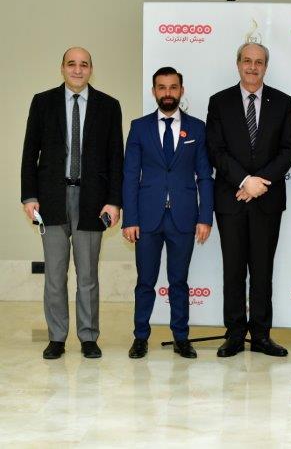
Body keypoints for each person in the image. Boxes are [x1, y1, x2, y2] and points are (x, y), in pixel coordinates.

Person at [21, 47, 123, 359]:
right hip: (51, 199)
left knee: (88, 275)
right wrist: (29, 196)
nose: (78, 70)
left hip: (92, 201)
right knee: (54, 275)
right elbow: (30, 152)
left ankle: (88, 337)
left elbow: (115, 158)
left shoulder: (108, 106)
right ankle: (57, 338)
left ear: (91, 69)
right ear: (62, 68)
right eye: (72, 64)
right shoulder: (43, 102)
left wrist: (114, 201)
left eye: (84, 64)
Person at [206, 42, 291, 358]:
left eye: (259, 62)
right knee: (233, 270)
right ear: (238, 64)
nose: (253, 67)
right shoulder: (219, 102)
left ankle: (261, 335)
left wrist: (260, 184)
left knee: (262, 271)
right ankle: (234, 335)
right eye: (247, 61)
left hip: (266, 201)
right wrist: (246, 181)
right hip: (231, 198)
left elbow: (288, 150)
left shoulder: (283, 102)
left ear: (266, 67)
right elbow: (216, 150)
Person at [122, 67, 214, 359]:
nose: (168, 93)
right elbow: (129, 175)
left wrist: (205, 217)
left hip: (184, 218)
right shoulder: (139, 127)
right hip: (146, 218)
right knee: (145, 282)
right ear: (154, 92)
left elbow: (205, 176)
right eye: (161, 88)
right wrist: (130, 219)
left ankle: (181, 338)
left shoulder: (197, 128)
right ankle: (140, 337)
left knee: (179, 282)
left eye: (173, 87)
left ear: (181, 90)